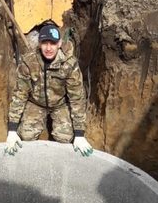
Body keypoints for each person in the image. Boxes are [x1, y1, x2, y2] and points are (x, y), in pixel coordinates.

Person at [5, 22, 93, 156]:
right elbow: (20, 94)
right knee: (26, 136)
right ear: (39, 44)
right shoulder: (29, 62)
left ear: (59, 44)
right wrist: (12, 130)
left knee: (65, 138)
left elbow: (76, 98)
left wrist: (79, 134)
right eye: (45, 43)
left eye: (52, 43)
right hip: (35, 102)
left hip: (60, 104)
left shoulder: (69, 64)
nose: (48, 48)